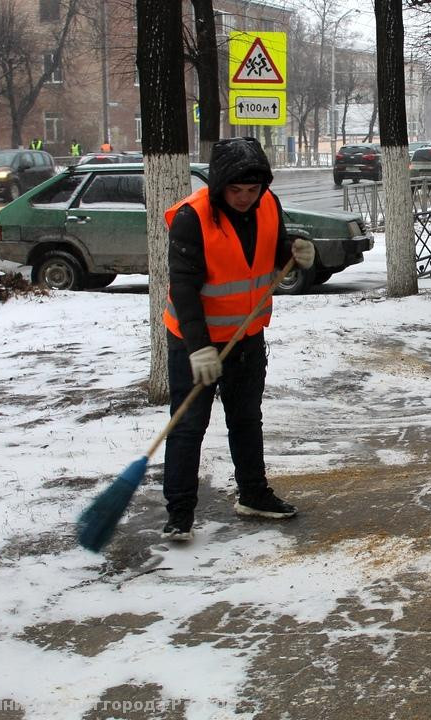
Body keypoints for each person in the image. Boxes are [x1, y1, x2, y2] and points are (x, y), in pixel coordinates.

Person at [160, 136, 316, 541]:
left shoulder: (268, 204)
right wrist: (199, 348)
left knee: (246, 419)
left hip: (246, 335)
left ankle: (253, 494)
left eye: (252, 190)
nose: (246, 198)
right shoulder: (192, 218)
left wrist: (294, 253)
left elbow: (270, 253)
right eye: (236, 190)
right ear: (218, 187)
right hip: (195, 340)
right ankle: (179, 513)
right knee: (188, 426)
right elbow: (184, 289)